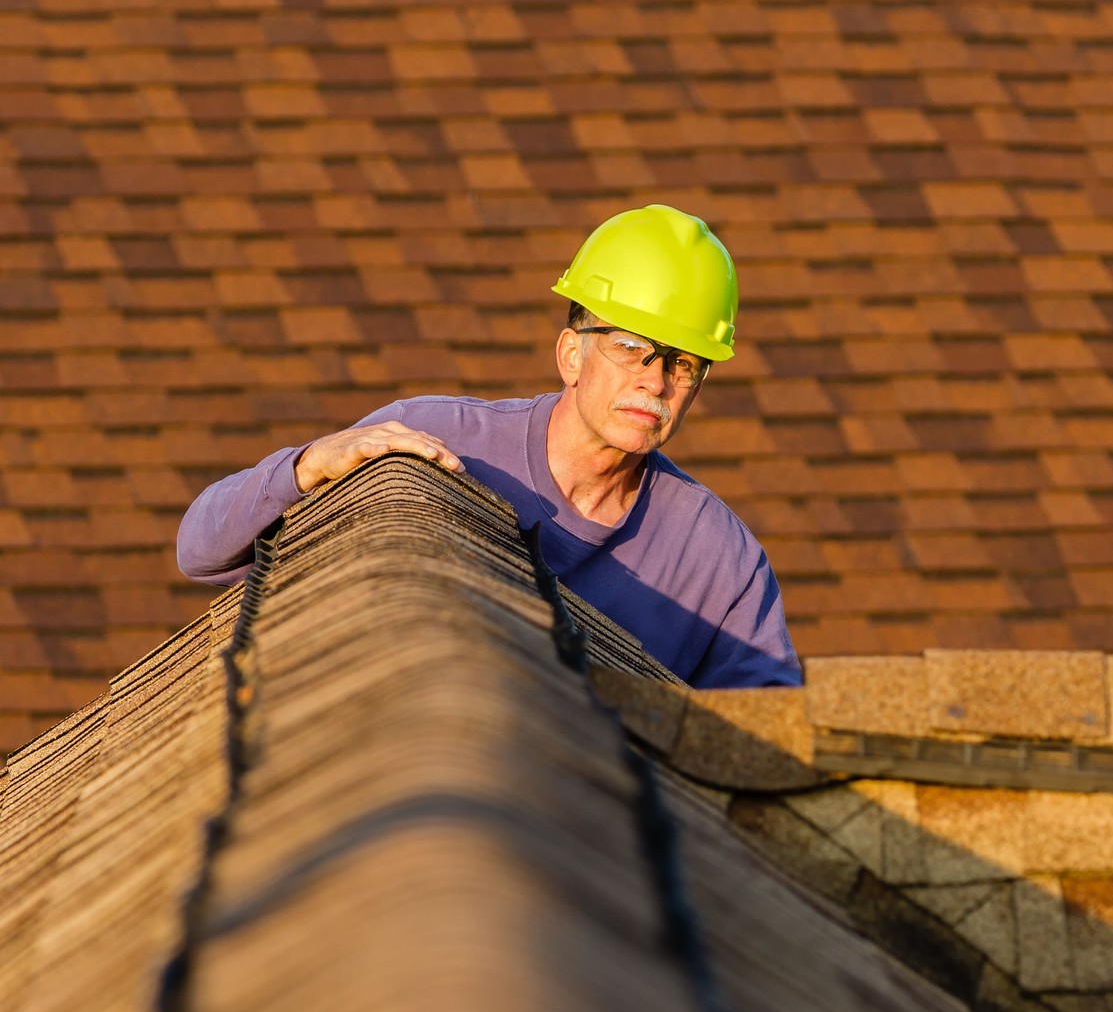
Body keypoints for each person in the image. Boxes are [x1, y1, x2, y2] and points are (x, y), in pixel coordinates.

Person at [177, 205, 800, 689]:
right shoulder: (430, 443)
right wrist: (309, 465)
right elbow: (199, 550)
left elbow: (775, 748)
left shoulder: (722, 563)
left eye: (685, 364)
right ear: (571, 354)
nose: (655, 381)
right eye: (632, 347)